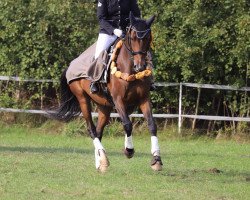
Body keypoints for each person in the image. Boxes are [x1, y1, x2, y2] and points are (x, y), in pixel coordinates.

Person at [91, 0, 155, 93]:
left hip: (127, 32)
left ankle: (150, 80)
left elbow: (136, 15)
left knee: (144, 50)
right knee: (99, 53)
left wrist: (133, 28)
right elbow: (101, 18)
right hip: (108, 33)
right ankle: (95, 81)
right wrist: (114, 30)